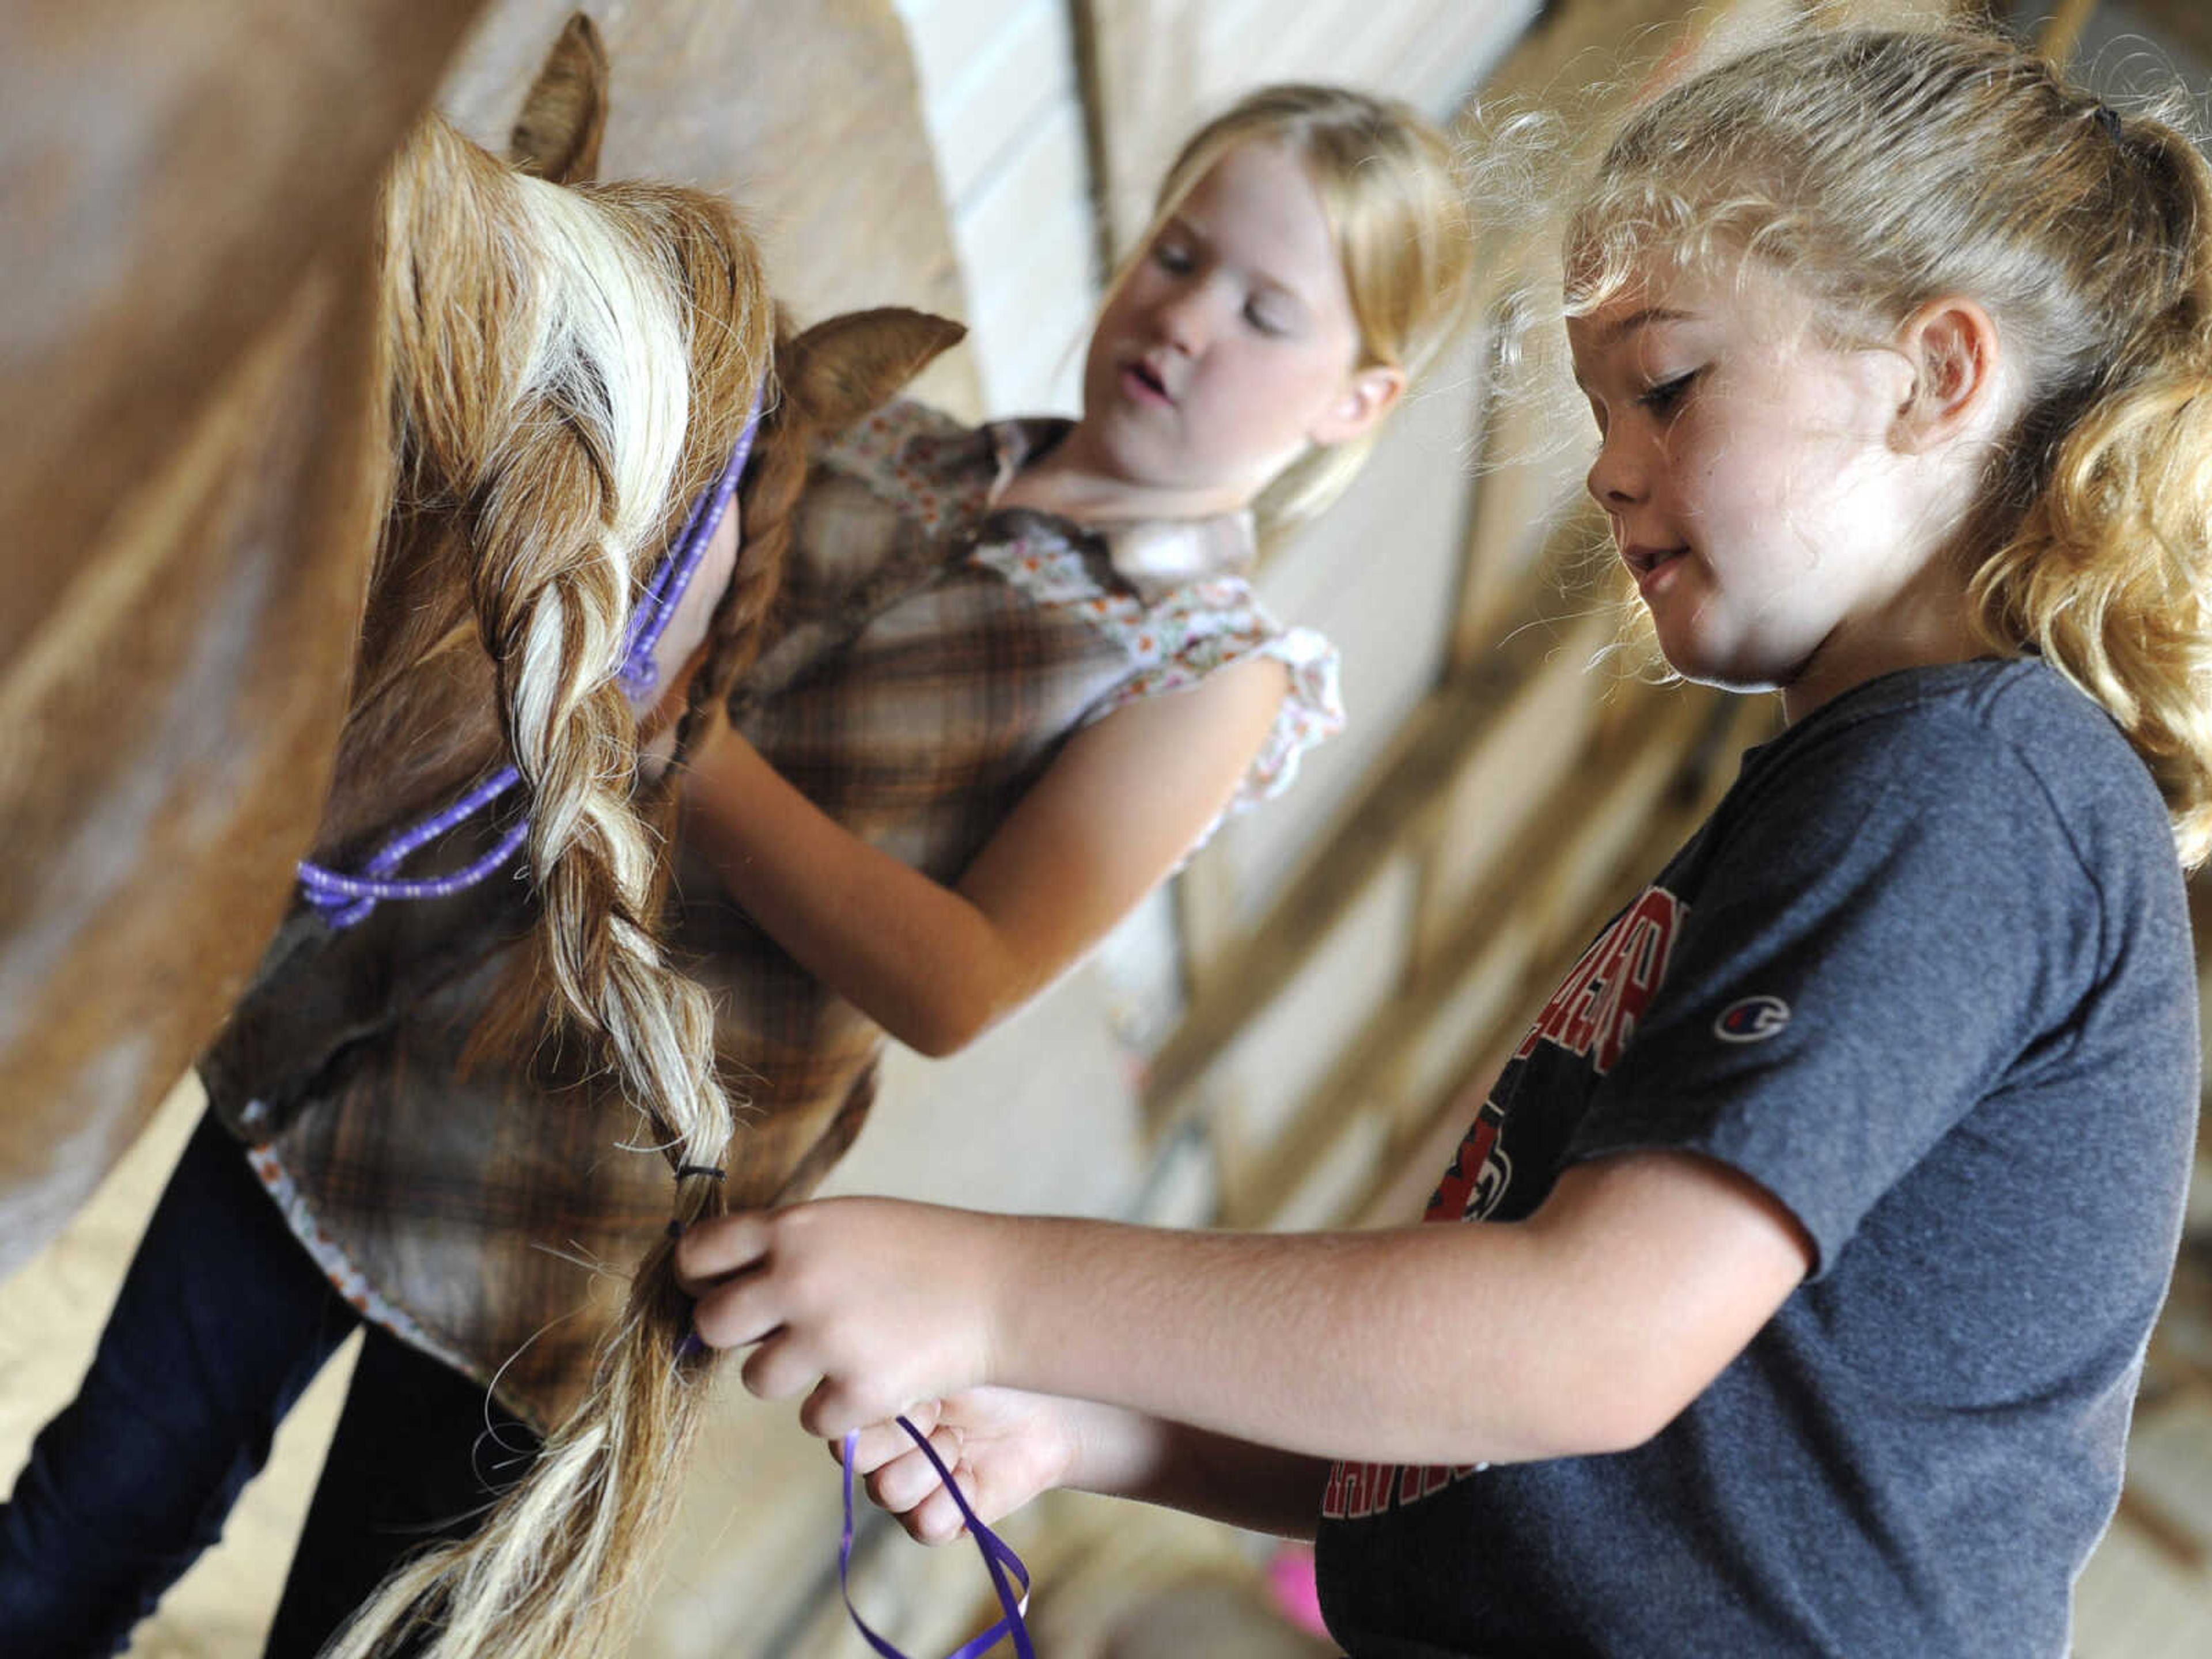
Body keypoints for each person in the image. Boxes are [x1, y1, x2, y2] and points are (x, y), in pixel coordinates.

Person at [675, 26, 2212, 1657]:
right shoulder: (1850, 790)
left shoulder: (1975, 786)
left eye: (1672, 386)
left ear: (1937, 376)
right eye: (1601, 410)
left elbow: (1582, 1345)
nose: (1614, 472)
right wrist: (1089, 1425)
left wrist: (992, 1286)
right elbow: (1510, 1429)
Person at [0, 83, 1478, 1656]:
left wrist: (668, 727)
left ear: (1356, 399)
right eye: (1178, 255)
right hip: (395, 1029)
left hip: (590, 1198)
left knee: (366, 1633)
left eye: (1265, 310)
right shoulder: (890, 437)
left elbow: (957, 979)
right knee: (89, 1510)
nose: (1186, 317)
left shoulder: (1205, 670)